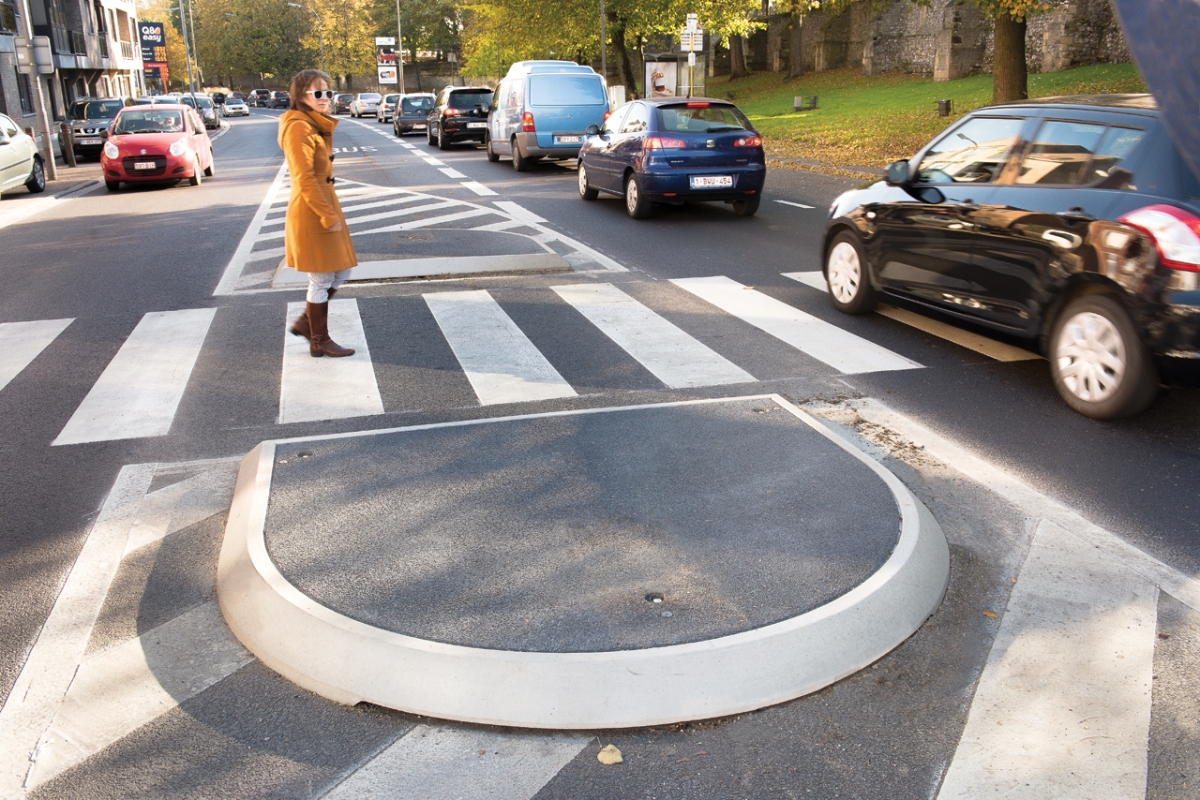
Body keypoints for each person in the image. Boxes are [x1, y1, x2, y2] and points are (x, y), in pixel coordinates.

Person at [278, 69, 357, 357]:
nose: (325, 98)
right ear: (301, 96)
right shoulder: (299, 127)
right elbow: (304, 177)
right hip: (313, 212)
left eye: (328, 93)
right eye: (317, 93)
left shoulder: (312, 125)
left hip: (322, 207)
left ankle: (307, 324)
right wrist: (326, 215)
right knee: (322, 278)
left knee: (342, 269)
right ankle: (319, 339)